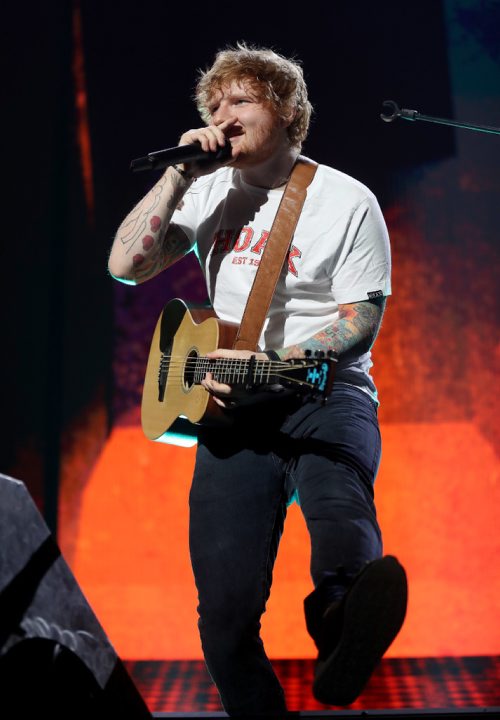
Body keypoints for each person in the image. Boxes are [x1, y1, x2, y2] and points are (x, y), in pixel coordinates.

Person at [108, 43, 408, 717]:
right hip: (232, 412)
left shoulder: (345, 199)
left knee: (339, 511)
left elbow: (360, 319)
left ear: (288, 112)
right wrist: (179, 176)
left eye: (240, 99)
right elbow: (126, 266)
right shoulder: (209, 190)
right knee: (222, 619)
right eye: (214, 104)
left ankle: (341, 621)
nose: (223, 113)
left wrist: (286, 363)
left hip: (326, 393)